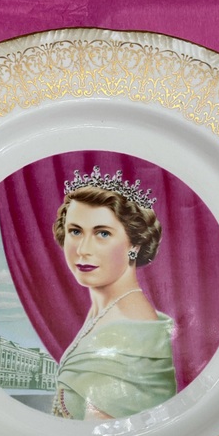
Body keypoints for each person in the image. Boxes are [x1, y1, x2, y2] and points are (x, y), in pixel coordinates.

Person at [51, 166, 177, 420]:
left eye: (103, 233)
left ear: (135, 244)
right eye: (75, 231)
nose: (82, 249)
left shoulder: (130, 326)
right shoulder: (104, 310)